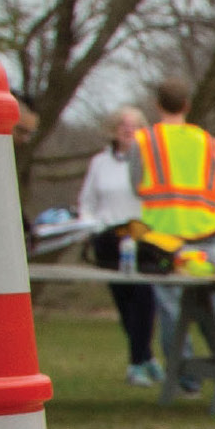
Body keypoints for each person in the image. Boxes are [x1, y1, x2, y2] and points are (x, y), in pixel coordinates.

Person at [127, 79, 215, 390]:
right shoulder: (212, 144)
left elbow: (136, 185)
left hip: (164, 238)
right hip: (206, 233)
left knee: (172, 310)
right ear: (187, 105)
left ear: (157, 106)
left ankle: (185, 377)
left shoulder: (145, 141)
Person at [77, 105, 149, 376]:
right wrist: (92, 227)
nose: (128, 130)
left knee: (144, 298)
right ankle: (143, 358)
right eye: (123, 125)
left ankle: (138, 361)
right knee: (123, 301)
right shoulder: (99, 163)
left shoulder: (148, 163)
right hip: (108, 238)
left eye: (135, 125)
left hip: (141, 236)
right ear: (114, 130)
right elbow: (87, 202)